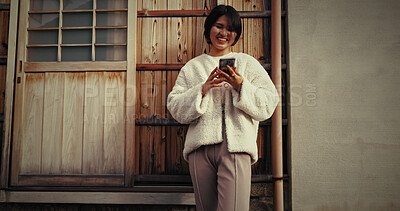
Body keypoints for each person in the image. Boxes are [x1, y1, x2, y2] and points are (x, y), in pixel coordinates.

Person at [167, 5, 279, 211]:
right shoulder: (192, 67)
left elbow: (269, 102)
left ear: (236, 35)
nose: (224, 33)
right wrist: (202, 90)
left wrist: (241, 86)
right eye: (219, 26)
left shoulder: (248, 63)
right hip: (200, 149)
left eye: (231, 29)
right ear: (209, 28)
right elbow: (175, 106)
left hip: (236, 148)